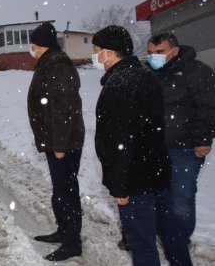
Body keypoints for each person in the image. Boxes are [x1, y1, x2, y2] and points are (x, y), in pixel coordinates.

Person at [92, 25, 192, 265]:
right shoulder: (144, 74)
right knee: (169, 231)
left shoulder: (119, 84)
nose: (94, 55)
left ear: (111, 52)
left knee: (141, 242)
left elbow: (120, 140)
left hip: (134, 179)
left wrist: (119, 186)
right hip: (156, 171)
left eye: (97, 50)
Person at [146, 32, 215, 241]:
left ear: (174, 51)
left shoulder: (196, 72)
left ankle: (180, 241)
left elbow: (208, 107)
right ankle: (165, 233)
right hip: (156, 148)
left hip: (185, 149)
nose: (153, 57)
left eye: (159, 52)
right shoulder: (150, 73)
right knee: (158, 195)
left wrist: (203, 139)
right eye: (150, 53)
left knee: (181, 198)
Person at [27, 22, 85, 262]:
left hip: (64, 144)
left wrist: (60, 145)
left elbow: (63, 109)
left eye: (33, 44)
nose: (31, 49)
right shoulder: (49, 63)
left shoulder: (58, 66)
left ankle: (72, 242)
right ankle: (64, 231)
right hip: (57, 142)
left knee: (66, 192)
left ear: (41, 44)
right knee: (60, 191)